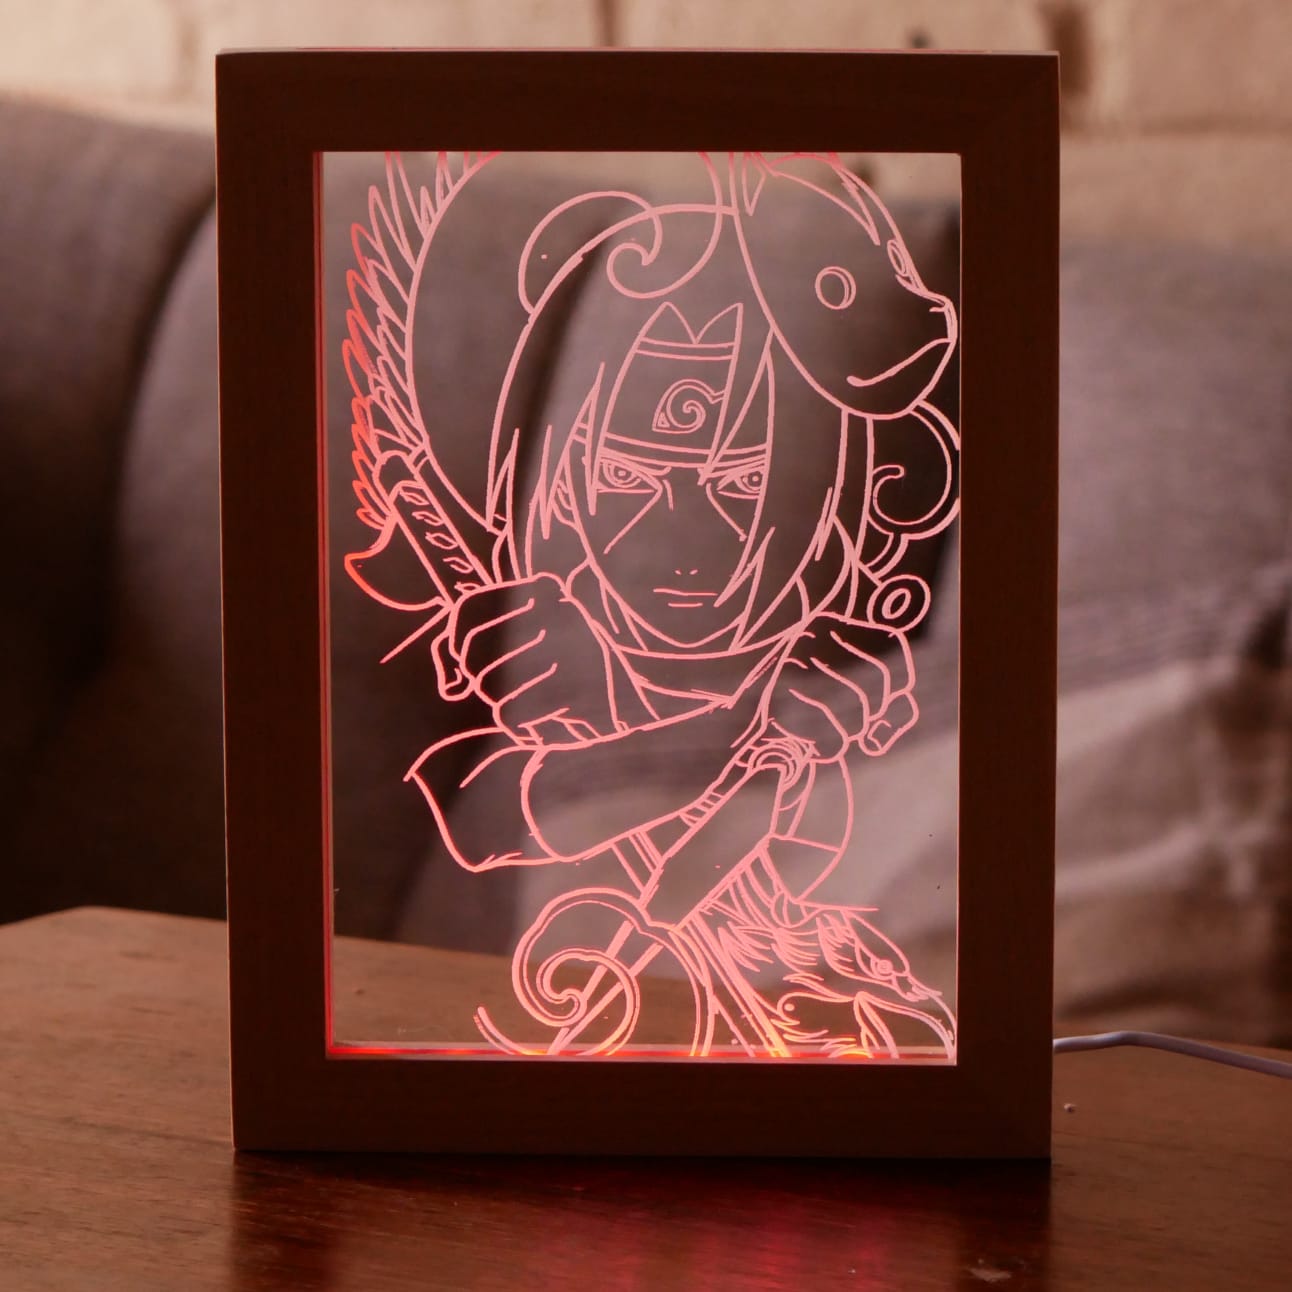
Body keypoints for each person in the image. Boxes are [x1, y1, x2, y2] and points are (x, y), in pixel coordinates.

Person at [350, 152, 959, 1058]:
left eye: (739, 482)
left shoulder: (842, 705)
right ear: (566, 483)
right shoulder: (545, 684)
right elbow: (481, 821)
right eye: (631, 477)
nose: (679, 520)